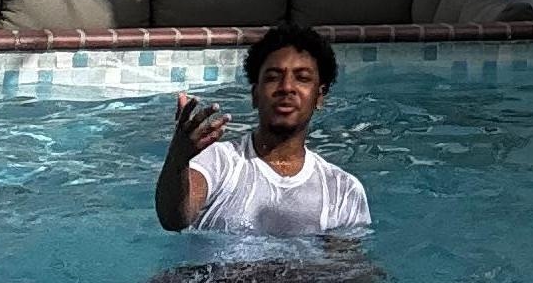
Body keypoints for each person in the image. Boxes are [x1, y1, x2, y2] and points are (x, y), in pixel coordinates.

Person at [155, 22, 371, 238]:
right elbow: (174, 219)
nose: (286, 87)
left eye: (302, 78)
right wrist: (178, 158)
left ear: (319, 96)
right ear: (255, 94)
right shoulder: (220, 161)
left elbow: (346, 268)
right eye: (272, 77)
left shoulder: (342, 190)